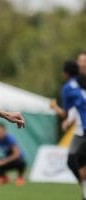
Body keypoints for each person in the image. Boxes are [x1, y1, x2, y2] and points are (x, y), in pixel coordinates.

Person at [62, 52, 86, 200]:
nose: (82, 64)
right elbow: (76, 107)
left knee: (80, 157)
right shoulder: (73, 85)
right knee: (72, 160)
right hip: (80, 129)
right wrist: (69, 120)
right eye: (80, 61)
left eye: (84, 61)